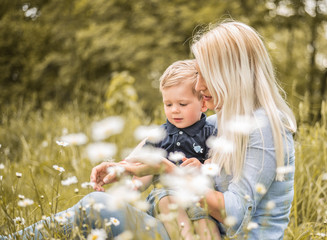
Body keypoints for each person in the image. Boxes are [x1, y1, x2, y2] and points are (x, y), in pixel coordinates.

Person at [2, 19, 297, 240]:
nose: (198, 85)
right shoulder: (231, 121)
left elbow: (234, 214)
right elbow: (164, 138)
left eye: (203, 74)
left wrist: (170, 171)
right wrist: (123, 167)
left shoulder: (263, 131)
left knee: (95, 207)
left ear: (228, 74)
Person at [130, 59, 220, 240]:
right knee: (167, 200)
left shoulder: (210, 132)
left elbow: (221, 161)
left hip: (198, 194)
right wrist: (133, 188)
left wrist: (203, 165)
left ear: (203, 104)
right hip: (166, 194)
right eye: (168, 104)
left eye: (182, 104)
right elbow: (146, 168)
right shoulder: (160, 135)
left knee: (205, 221)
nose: (174, 111)